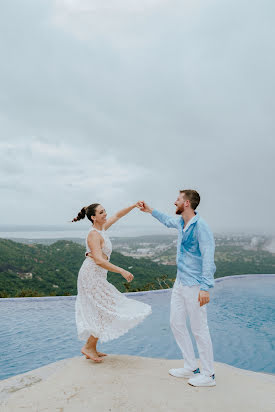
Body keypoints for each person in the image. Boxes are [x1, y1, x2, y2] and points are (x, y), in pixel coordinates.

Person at [140, 190, 216, 387]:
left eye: (178, 200)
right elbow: (166, 220)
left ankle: (209, 375)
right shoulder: (182, 223)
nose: (174, 202)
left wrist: (205, 287)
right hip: (180, 282)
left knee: (199, 328)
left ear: (187, 203)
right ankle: (191, 366)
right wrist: (149, 210)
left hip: (195, 284)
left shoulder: (201, 227)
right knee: (176, 322)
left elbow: (208, 257)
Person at [73, 202, 152, 362]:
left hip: (98, 275)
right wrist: (122, 270)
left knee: (103, 310)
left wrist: (133, 206)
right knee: (107, 308)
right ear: (93, 217)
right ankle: (89, 347)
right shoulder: (93, 235)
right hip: (91, 275)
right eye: (101, 212)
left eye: (104, 211)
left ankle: (91, 347)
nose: (105, 214)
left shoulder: (102, 228)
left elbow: (117, 215)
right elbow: (99, 261)